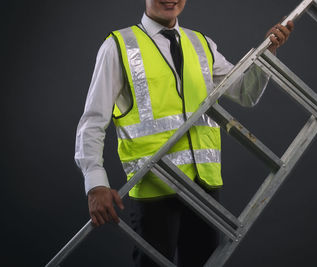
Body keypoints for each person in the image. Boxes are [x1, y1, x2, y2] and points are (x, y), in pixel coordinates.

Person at [74, 0, 294, 266]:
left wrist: (268, 52)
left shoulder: (202, 44)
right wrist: (95, 183)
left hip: (204, 187)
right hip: (153, 187)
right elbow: (93, 121)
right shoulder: (118, 46)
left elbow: (246, 93)